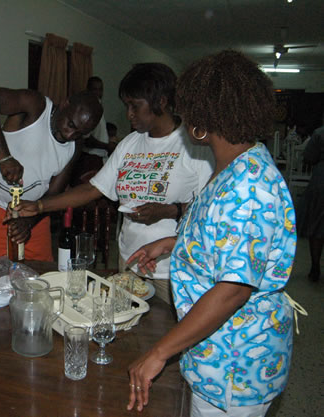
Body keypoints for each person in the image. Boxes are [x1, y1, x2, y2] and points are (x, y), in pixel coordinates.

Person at [126, 51, 297, 416]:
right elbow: (223, 237)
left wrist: (159, 353)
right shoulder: (236, 165)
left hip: (235, 363)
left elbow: (233, 289)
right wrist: (174, 243)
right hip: (214, 352)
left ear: (203, 121)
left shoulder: (250, 188)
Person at [9, 63, 214, 303]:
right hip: (129, 263)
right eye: (127, 106)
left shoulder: (194, 147)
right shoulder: (130, 144)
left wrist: (170, 211)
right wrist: (40, 206)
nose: (129, 114)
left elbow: (209, 211)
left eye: (135, 106)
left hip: (171, 272)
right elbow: (92, 188)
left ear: (161, 102)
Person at [0, 88, 102, 261]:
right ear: (65, 103)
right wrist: (4, 158)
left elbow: (53, 192)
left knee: (39, 280)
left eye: (80, 133)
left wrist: (28, 222)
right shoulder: (36, 106)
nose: (71, 135)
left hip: (35, 217)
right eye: (71, 125)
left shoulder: (75, 146)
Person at [299, 114, 324, 281]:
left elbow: (309, 157)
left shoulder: (320, 133)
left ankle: (315, 266)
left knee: (317, 226)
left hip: (321, 181)